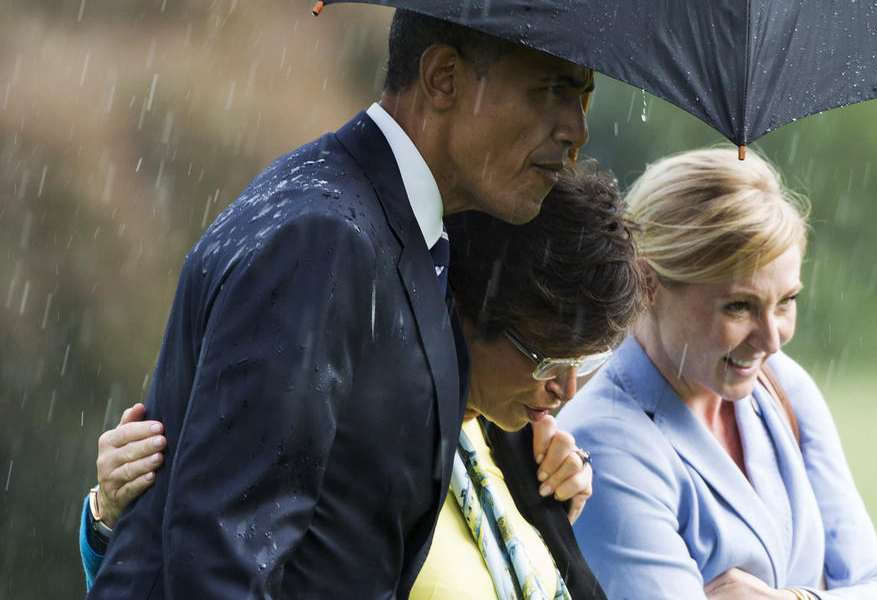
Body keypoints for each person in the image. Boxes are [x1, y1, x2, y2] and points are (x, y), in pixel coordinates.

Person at [87, 9, 593, 599]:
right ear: (443, 78)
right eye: (551, 90)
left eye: (583, 96)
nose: (576, 129)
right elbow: (221, 561)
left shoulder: (399, 228)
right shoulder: (322, 239)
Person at [81, 163, 644, 600]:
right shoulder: (351, 425)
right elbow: (219, 568)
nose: (567, 390)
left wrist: (548, 521)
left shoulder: (517, 451)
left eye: (588, 361)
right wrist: (108, 526)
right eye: (547, 360)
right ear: (474, 312)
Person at [557, 148, 877, 600]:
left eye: (786, 302)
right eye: (739, 306)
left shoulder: (784, 389)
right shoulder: (605, 441)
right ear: (647, 284)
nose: (772, 340)